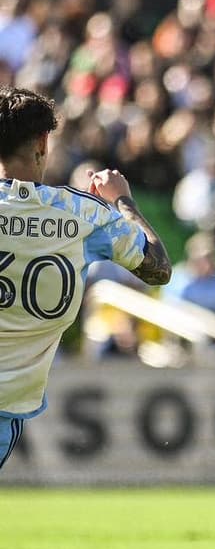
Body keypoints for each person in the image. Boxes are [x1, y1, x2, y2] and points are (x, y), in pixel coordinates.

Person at [0, 87, 171, 472]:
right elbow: (158, 268)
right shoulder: (81, 214)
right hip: (6, 402)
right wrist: (122, 202)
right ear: (43, 143)